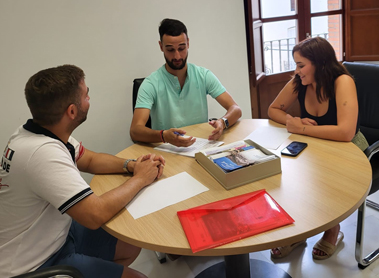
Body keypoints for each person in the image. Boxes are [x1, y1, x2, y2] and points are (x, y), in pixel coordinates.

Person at [0, 65, 166, 278]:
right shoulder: (42, 154)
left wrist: (132, 165)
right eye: (86, 94)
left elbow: (89, 159)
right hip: (36, 263)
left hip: (56, 234)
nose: (89, 97)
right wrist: (141, 178)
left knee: (130, 244)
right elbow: (94, 214)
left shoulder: (40, 132)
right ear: (72, 111)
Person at [268, 37, 368, 260]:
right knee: (286, 172)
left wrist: (301, 128)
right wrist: (292, 119)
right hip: (317, 144)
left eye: (301, 65)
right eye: (296, 65)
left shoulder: (342, 82)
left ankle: (333, 228)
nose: (297, 71)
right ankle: (299, 230)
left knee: (323, 177)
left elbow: (345, 133)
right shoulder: (300, 81)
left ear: (320, 63)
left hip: (349, 148)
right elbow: (273, 109)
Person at [130, 18, 242, 147]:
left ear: (188, 43)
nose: (177, 56)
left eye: (181, 48)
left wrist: (223, 122)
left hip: (200, 146)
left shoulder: (203, 75)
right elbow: (135, 131)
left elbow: (236, 109)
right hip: (166, 150)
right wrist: (163, 135)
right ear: (161, 46)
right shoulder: (151, 84)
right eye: (171, 50)